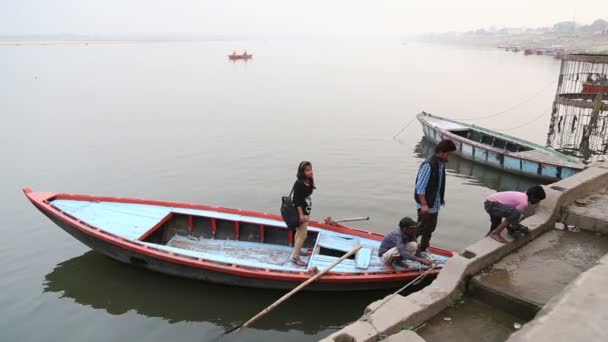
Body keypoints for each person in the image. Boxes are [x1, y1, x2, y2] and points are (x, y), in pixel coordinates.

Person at [414, 139, 457, 258]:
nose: (449, 156)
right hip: (426, 204)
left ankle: (423, 247)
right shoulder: (428, 164)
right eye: (448, 153)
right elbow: (420, 187)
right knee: (420, 228)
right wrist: (424, 205)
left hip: (434, 203)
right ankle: (408, 246)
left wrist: (440, 198)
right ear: (441, 152)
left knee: (430, 228)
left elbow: (438, 184)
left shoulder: (440, 164)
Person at [291, 161, 316, 266]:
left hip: (306, 210)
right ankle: (295, 257)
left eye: (310, 169)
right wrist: (301, 215)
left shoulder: (309, 180)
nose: (310, 172)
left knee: (299, 232)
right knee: (303, 235)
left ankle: (297, 250)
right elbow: (297, 201)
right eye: (307, 170)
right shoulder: (299, 183)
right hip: (300, 212)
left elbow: (305, 197)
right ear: (302, 172)